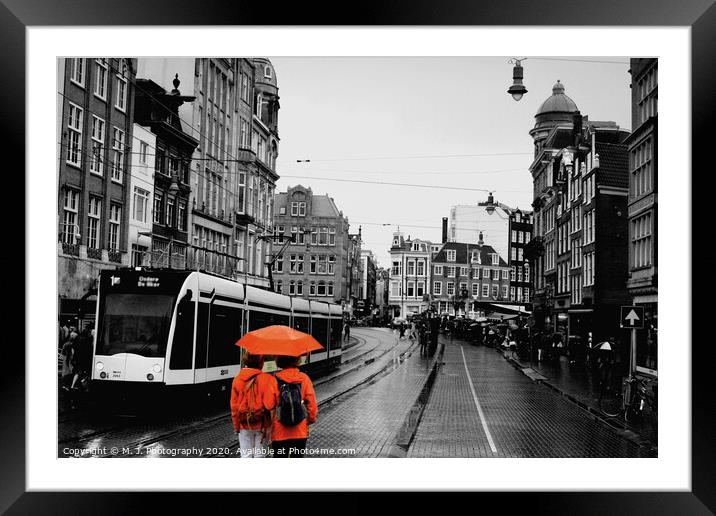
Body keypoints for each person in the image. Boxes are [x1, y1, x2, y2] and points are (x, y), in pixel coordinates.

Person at [230, 353, 278, 458]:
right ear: (261, 362)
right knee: (260, 455)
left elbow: (234, 407)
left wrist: (236, 426)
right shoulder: (269, 379)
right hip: (263, 425)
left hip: (244, 424)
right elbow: (270, 406)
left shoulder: (237, 379)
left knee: (246, 455)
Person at [271, 355, 317, 458]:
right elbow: (311, 404)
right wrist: (309, 420)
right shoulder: (304, 378)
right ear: (297, 360)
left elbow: (269, 405)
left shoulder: (274, 380)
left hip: (279, 432)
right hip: (300, 431)